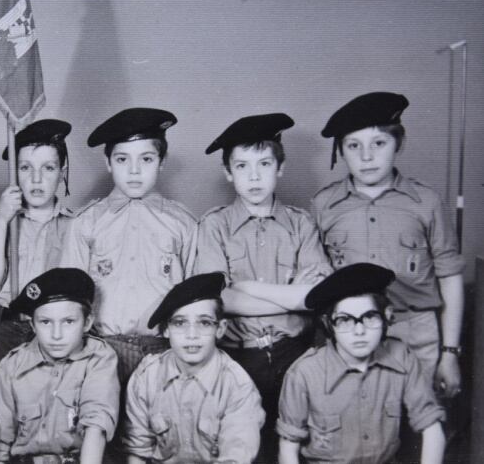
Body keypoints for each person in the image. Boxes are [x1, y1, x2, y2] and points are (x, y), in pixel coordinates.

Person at [193, 112, 331, 461]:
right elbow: (218, 299)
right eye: (241, 166)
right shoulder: (215, 226)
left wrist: (247, 287)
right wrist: (291, 299)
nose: (254, 176)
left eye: (264, 164)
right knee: (241, 448)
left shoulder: (301, 225)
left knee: (295, 448)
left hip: (296, 355)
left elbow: (316, 297)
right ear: (228, 172)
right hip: (237, 359)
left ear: (279, 167)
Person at [313, 92, 465, 396]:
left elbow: (450, 278)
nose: (366, 157)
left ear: (399, 143)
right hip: (347, 334)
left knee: (418, 428)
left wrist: (449, 353)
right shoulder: (323, 205)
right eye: (354, 146)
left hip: (415, 334)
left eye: (378, 143)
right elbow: (316, 281)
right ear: (340, 151)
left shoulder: (428, 203)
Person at [60, 107, 197, 384]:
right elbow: (70, 300)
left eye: (146, 159)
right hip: (102, 351)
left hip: (164, 352)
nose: (134, 171)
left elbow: (195, 297)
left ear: (162, 161)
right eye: (122, 159)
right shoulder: (86, 223)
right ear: (108, 162)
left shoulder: (183, 223)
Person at [277, 263, 446, 464]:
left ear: (387, 317)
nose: (359, 331)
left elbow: (432, 428)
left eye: (369, 317)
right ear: (328, 324)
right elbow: (288, 449)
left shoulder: (402, 358)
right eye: (344, 320)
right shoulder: (304, 373)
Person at [124, 272, 264, 464]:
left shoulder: (237, 386)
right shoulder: (146, 376)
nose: (192, 334)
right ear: (166, 330)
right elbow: (138, 453)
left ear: (220, 329)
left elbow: (235, 458)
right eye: (180, 323)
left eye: (204, 323)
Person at [0, 268, 120, 464]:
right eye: (45, 322)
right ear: (32, 325)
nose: (56, 334)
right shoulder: (11, 366)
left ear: (87, 323)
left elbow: (96, 423)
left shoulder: (99, 358)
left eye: (68, 322)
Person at [0, 119, 75, 366]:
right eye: (25, 168)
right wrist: (2, 219)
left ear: (62, 174)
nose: (36, 178)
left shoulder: (76, 226)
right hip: (8, 327)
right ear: (14, 173)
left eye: (48, 168)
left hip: (56, 331)